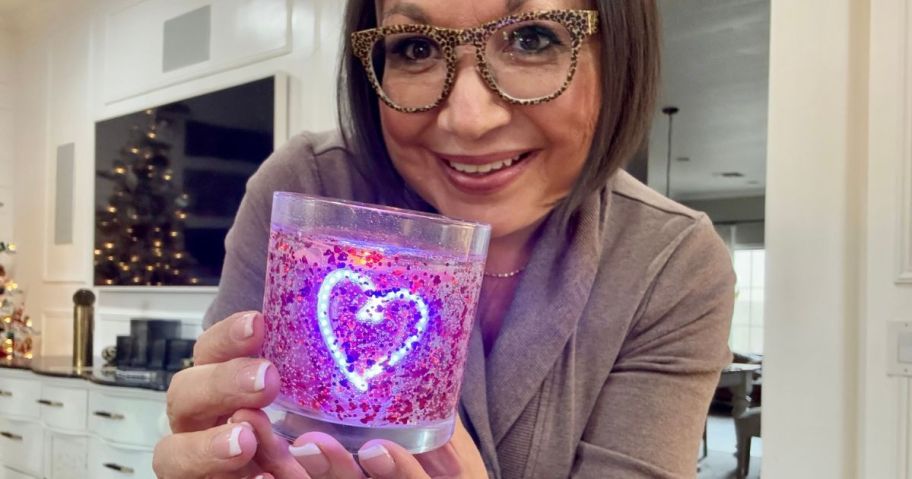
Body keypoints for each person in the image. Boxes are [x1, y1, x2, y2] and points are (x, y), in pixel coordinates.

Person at [152, 0, 735, 477]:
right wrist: (212, 453)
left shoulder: (671, 261)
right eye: (416, 47)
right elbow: (232, 428)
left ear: (622, 55)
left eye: (531, 37)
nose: (468, 119)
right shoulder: (310, 192)